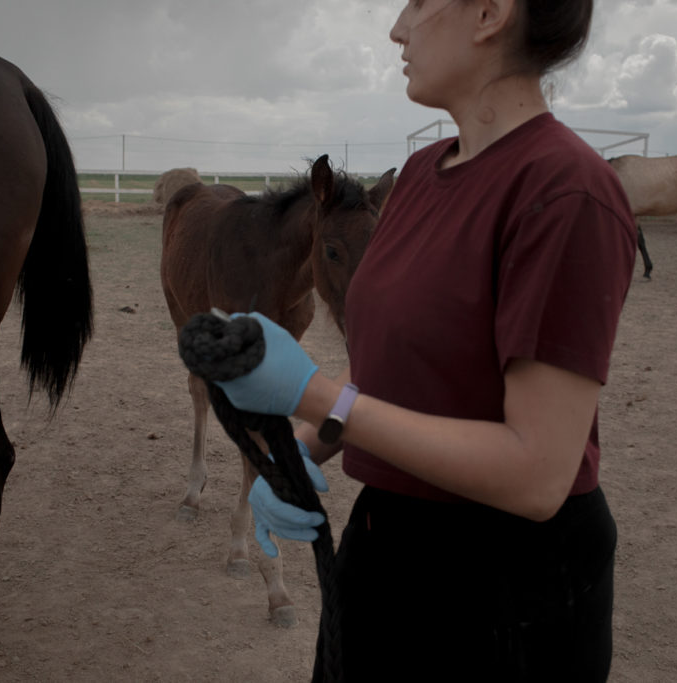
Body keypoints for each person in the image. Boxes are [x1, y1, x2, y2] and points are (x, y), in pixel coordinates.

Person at [215, 0, 636, 680]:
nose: (398, 28)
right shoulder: (417, 177)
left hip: (506, 587)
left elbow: (537, 474)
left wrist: (315, 395)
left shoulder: (566, 190)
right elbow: (391, 369)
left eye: (417, 2)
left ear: (490, 13)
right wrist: (302, 449)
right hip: (386, 546)